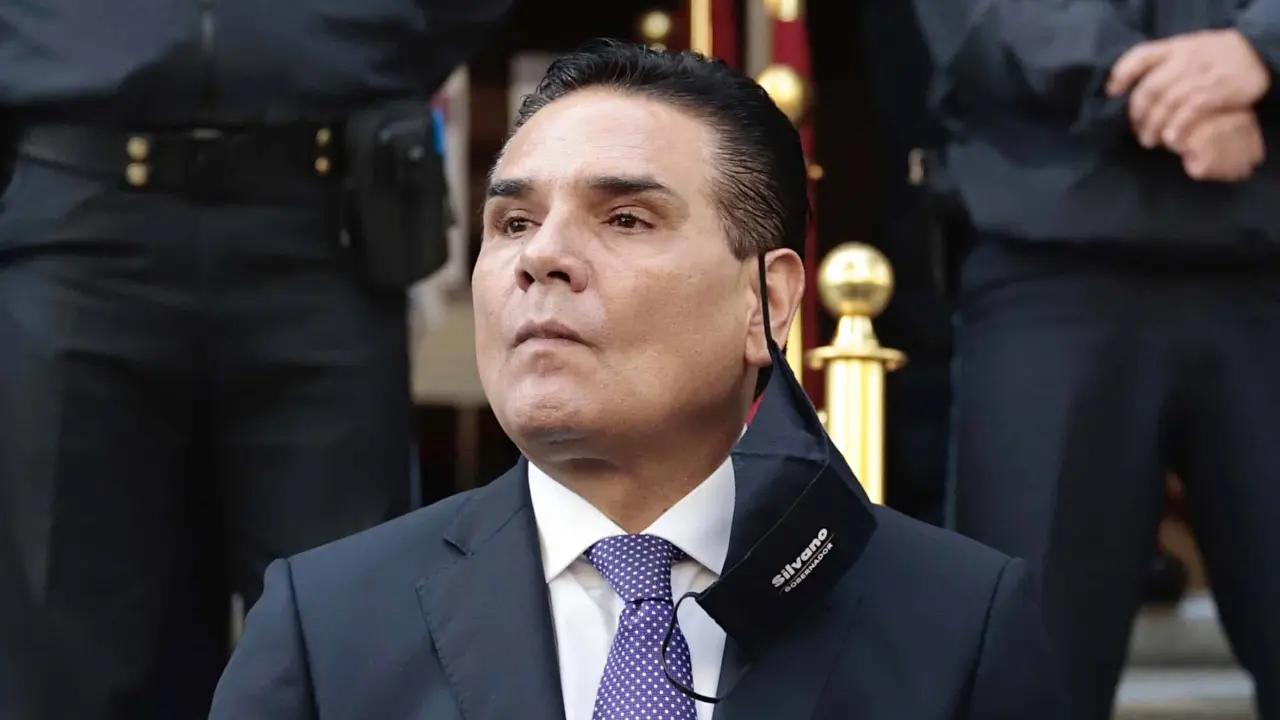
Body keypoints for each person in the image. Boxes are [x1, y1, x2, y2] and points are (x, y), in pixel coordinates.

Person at [209, 40, 1060, 719]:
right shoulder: (328, 625)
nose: (542, 256)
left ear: (767, 302)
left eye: (625, 218)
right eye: (514, 222)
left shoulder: (957, 623)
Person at [0, 2, 515, 718]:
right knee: (65, 646)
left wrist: (370, 31)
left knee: (354, 636)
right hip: (75, 208)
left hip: (320, 219)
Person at [909, 0, 1280, 716]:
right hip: (1052, 261)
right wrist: (1170, 88)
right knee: (1031, 667)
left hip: (1264, 252)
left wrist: (1260, 51)